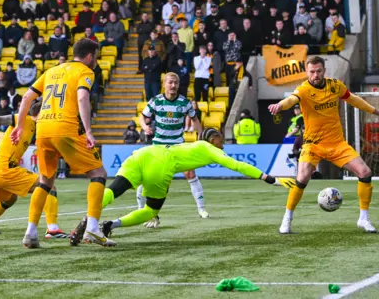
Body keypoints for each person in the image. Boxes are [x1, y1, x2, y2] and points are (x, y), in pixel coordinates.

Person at [11, 39, 113, 248]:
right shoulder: (85, 71)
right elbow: (83, 97)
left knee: (45, 181)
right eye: (96, 55)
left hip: (43, 129)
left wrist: (20, 126)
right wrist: (89, 131)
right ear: (89, 56)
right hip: (64, 127)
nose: (97, 59)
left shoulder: (52, 71)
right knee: (98, 174)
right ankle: (93, 228)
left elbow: (27, 96)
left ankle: (30, 232)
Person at [99, 129, 290, 239]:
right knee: (151, 211)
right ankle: (111, 225)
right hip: (162, 164)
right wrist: (267, 178)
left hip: (143, 153)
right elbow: (236, 165)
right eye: (220, 139)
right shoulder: (208, 148)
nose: (222, 143)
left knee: (114, 190)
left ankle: (91, 217)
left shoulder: (193, 146)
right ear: (213, 139)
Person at [268, 56, 379, 234]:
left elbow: (353, 99)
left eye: (319, 71)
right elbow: (291, 100)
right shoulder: (303, 90)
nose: (316, 75)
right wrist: (279, 106)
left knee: (365, 172)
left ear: (324, 71)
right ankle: (287, 218)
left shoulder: (335, 86)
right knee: (302, 177)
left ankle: (363, 218)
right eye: (312, 72)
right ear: (307, 72)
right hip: (313, 145)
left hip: (337, 144)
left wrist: (375, 111)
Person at [0, 101, 67, 237]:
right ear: (40, 113)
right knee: (49, 187)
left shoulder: (34, 127)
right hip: (4, 169)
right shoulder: (23, 120)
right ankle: (52, 229)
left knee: (9, 200)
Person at [140, 72, 207, 225]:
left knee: (190, 172)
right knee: (148, 178)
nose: (173, 86)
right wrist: (145, 127)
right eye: (170, 82)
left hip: (178, 144)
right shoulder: (156, 101)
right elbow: (143, 117)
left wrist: (201, 138)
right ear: (164, 84)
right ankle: (144, 212)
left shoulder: (185, 103)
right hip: (158, 145)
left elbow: (195, 120)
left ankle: (202, 209)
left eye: (176, 83)